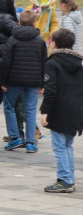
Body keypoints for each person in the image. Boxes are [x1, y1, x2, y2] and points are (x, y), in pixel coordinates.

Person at [41, 28, 83, 193]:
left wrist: (45, 111)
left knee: (59, 146)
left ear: (55, 43)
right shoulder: (78, 63)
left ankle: (64, 179)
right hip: (75, 109)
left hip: (59, 109)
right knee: (68, 145)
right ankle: (69, 178)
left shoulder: (52, 63)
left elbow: (50, 90)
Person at [1, 9, 47, 153]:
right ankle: (31, 142)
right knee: (30, 109)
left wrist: (4, 81)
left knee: (9, 105)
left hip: (15, 79)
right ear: (35, 23)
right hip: (33, 80)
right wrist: (43, 83)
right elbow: (44, 62)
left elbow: (6, 61)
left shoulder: (13, 39)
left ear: (19, 22)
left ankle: (14, 137)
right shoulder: (40, 41)